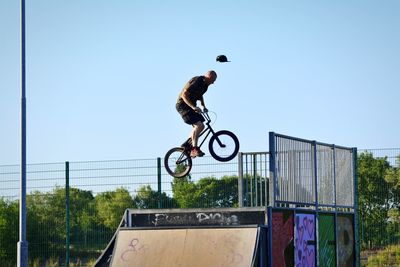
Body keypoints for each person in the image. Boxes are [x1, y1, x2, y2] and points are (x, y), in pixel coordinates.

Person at [176, 70, 217, 157]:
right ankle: (194, 149)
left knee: (200, 126)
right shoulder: (197, 80)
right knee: (199, 126)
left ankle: (187, 145)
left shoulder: (205, 86)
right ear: (209, 77)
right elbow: (184, 94)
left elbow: (200, 95)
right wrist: (193, 107)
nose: (213, 83)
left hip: (191, 107)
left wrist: (203, 105)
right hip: (182, 105)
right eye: (213, 80)